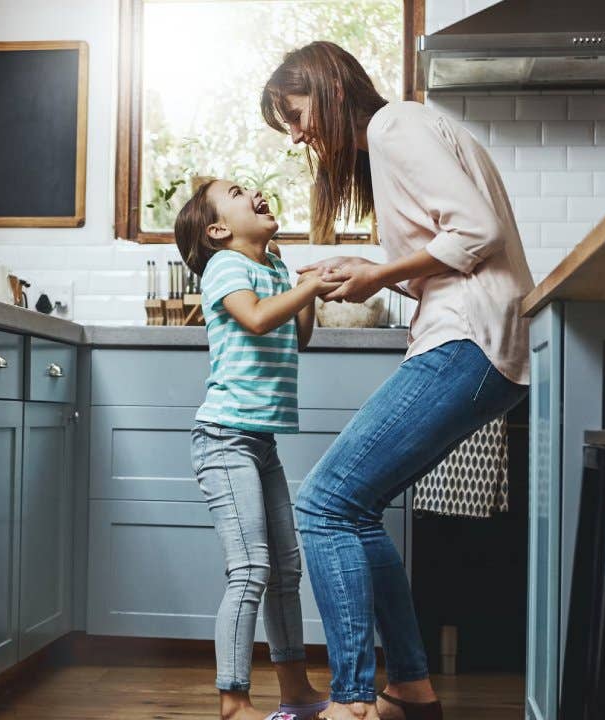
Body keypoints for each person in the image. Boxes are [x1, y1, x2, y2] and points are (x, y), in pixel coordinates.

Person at [259, 41, 535, 720]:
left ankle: (351, 703)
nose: (297, 135)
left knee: (324, 504)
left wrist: (379, 275)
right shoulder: (401, 134)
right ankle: (409, 690)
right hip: (477, 337)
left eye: (294, 115)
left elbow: (481, 230)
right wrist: (369, 267)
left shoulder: (393, 125)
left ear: (326, 85)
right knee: (353, 506)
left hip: (467, 339)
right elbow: (450, 253)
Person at [174, 178, 338, 720]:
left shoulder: (271, 268)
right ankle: (233, 700)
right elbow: (258, 318)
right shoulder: (225, 267)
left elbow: (297, 336)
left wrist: (303, 283)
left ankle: (295, 692)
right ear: (218, 229)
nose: (257, 191)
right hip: (223, 439)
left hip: (258, 442)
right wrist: (307, 291)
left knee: (285, 571)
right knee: (249, 570)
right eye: (239, 191)